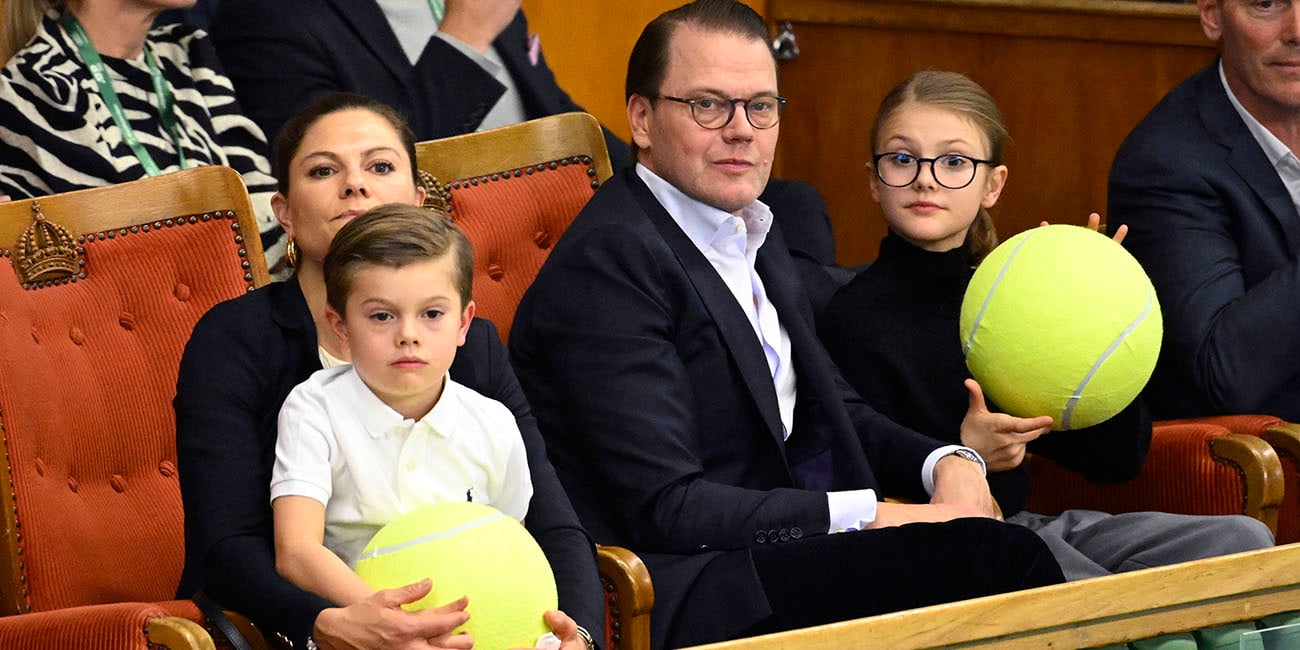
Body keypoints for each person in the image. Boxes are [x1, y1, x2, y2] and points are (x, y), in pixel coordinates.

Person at [508, 3, 1067, 648]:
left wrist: (948, 461)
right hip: (695, 584)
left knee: (1007, 554)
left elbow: (838, 407)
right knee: (1000, 562)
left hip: (782, 549)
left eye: (761, 106)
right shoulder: (612, 262)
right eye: (710, 106)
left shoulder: (753, 227)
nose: (742, 131)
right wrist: (875, 516)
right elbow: (669, 507)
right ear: (640, 118)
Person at [175, 92, 600, 650]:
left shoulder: (472, 348)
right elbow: (227, 547)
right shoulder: (234, 341)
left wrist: (580, 637)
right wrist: (332, 623)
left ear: (419, 201)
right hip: (284, 627)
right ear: (284, 213)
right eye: (324, 170)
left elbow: (548, 524)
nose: (355, 185)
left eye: (380, 166)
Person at [819, 69, 1275, 582]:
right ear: (874, 180)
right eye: (902, 159)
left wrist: (1092, 319)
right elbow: (857, 481)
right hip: (955, 544)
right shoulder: (848, 318)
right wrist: (969, 452)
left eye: (954, 161)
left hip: (1034, 526)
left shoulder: (1018, 295)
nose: (926, 177)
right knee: (1086, 588)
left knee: (1243, 541)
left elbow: (1117, 462)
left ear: (994, 184)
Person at [272, 205, 535, 627]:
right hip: (363, 629)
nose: (408, 335)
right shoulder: (313, 408)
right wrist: (396, 622)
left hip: (475, 627)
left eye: (432, 314)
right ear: (340, 327)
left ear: (464, 322)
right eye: (381, 316)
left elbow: (510, 547)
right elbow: (297, 552)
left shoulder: (494, 422)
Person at [1108, 0, 1300, 421]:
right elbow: (1221, 374)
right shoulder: (1165, 162)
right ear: (1212, 15)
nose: (1297, 30)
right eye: (1267, 4)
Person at [0, 0, 285, 274]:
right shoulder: (34, 89)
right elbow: (119, 260)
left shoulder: (187, 54)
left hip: (247, 305)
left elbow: (263, 208)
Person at [206, 0, 630, 166]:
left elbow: (558, 117)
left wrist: (661, 184)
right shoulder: (267, 18)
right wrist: (465, 39)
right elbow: (357, 187)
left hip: (559, 244)